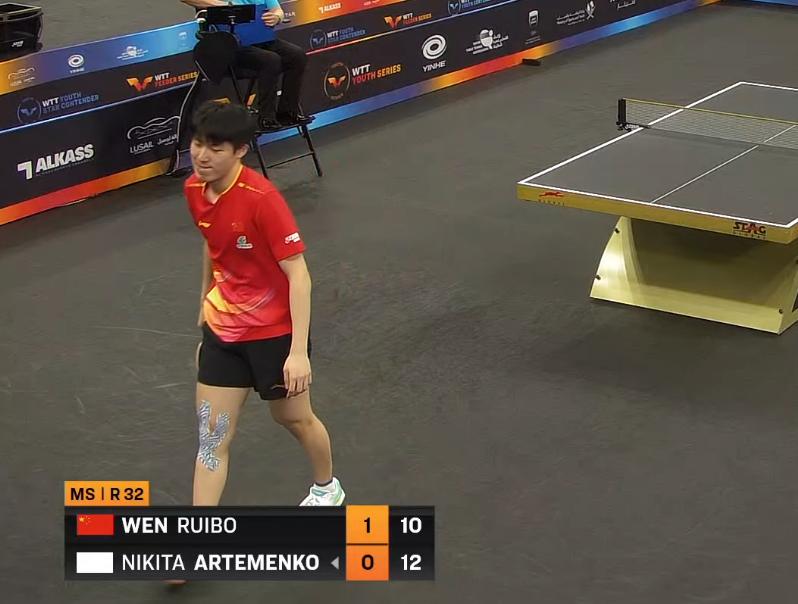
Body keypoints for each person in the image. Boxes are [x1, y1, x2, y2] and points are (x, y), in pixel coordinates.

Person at [183, 100, 344, 509]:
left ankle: (327, 487)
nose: (202, 156)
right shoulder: (194, 190)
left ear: (240, 150)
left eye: (216, 148)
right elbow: (212, 243)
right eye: (198, 144)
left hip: (274, 335)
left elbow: (299, 274)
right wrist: (204, 300)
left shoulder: (261, 199)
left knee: (292, 417)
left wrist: (297, 353)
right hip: (223, 332)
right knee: (212, 438)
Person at [181, 0, 313, 130]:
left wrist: (277, 17)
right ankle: (266, 118)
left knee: (297, 56)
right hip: (232, 45)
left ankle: (288, 113)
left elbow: (278, 10)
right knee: (271, 60)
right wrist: (224, 6)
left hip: (262, 38)